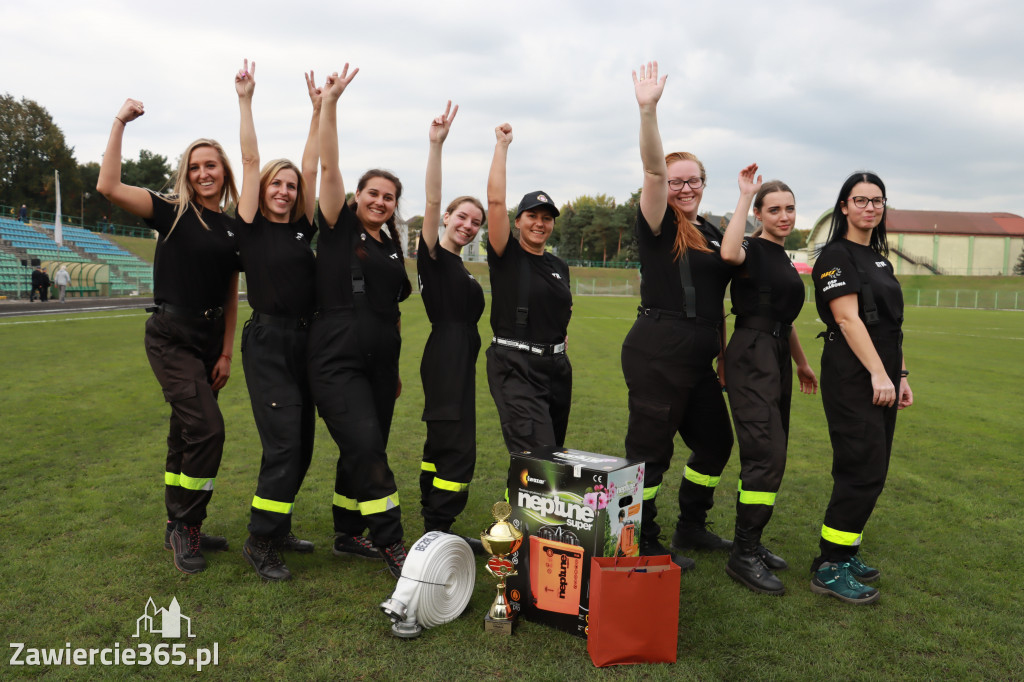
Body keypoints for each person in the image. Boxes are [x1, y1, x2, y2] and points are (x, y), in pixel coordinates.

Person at [96, 98, 240, 575]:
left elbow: (231, 295)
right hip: (170, 334)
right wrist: (119, 122)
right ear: (186, 173)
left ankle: (177, 523)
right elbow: (108, 185)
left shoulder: (232, 228)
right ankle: (186, 525)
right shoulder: (171, 212)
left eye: (211, 165)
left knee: (185, 433)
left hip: (207, 339)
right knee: (208, 429)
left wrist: (224, 352)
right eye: (195, 166)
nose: (203, 173)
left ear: (224, 172)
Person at [621, 62, 735, 571]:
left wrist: (725, 356)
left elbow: (721, 299)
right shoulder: (658, 222)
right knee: (650, 454)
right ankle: (640, 539)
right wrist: (648, 110)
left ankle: (692, 523)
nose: (686, 188)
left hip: (701, 354)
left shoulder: (713, 232)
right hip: (658, 348)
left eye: (695, 181)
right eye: (678, 180)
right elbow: (651, 170)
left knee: (715, 443)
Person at [307, 64, 412, 578]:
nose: (379, 201)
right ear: (356, 197)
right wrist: (330, 105)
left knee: (365, 447)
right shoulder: (337, 227)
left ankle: (348, 532)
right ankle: (392, 543)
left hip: (379, 363)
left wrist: (391, 371)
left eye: (388, 197)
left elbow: (392, 314)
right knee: (366, 446)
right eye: (372, 193)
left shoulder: (393, 249)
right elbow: (328, 167)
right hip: (335, 357)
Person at [234, 60, 320, 581]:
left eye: (290, 185)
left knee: (302, 443)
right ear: (264, 188)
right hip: (267, 341)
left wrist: (318, 111)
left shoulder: (300, 230)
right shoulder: (250, 227)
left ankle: (278, 523)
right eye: (277, 183)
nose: (285, 190)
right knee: (283, 441)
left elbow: (311, 167)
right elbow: (248, 158)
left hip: (304, 342)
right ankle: (259, 542)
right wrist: (246, 100)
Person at [809, 172, 912, 604]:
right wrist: (878, 373)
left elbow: (889, 326)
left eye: (877, 200)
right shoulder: (835, 255)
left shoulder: (879, 259)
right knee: (861, 465)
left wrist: (900, 373)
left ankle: (844, 552)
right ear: (844, 207)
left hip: (882, 368)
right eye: (861, 200)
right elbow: (849, 319)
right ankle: (829, 567)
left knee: (875, 464)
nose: (870, 207)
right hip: (853, 373)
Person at [719, 169, 818, 594]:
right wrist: (744, 195)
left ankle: (751, 543)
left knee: (771, 453)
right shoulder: (750, 247)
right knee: (766, 454)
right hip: (752, 352)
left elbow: (785, 319)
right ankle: (743, 554)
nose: (784, 216)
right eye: (774, 209)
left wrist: (801, 363)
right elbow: (727, 254)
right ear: (759, 213)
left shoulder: (783, 257)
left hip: (776, 354)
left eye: (790, 208)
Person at [417, 102, 486, 550]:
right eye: (461, 217)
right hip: (447, 355)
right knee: (458, 449)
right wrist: (436, 146)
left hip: (455, 357)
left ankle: (432, 519)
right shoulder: (435, 257)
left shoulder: (459, 266)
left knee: (441, 442)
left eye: (475, 222)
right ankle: (439, 527)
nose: (468, 225)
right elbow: (431, 199)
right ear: (446, 219)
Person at [485, 122, 572, 455]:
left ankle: (521, 503)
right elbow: (495, 201)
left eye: (547, 218)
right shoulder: (506, 255)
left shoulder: (558, 266)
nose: (539, 223)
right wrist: (502, 146)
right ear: (518, 220)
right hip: (516, 365)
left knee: (551, 454)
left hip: (556, 368)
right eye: (532, 216)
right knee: (538, 453)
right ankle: (523, 507)